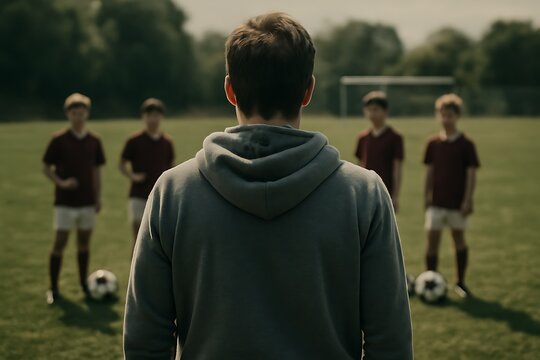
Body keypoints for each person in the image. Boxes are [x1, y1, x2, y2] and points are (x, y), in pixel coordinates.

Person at [124, 13, 412, 359]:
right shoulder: (363, 194)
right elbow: (390, 343)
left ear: (230, 90)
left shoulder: (172, 192)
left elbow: (145, 340)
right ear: (308, 90)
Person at [42, 93, 106, 304]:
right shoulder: (59, 139)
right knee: (60, 242)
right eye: (74, 113)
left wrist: (98, 197)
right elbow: (46, 167)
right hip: (65, 202)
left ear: (87, 114)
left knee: (84, 244)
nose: (78, 117)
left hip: (87, 201)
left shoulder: (94, 141)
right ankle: (53, 288)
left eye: (82, 113)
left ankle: (83, 285)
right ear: (68, 114)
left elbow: (97, 171)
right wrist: (61, 182)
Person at [423, 93, 480, 298]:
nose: (446, 119)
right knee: (432, 240)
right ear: (438, 116)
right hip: (436, 202)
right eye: (443, 115)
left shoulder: (466, 144)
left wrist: (467, 200)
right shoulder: (433, 143)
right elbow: (429, 172)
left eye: (450, 115)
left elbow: (471, 174)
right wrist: (426, 195)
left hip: (457, 204)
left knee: (458, 239)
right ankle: (432, 280)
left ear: (458, 116)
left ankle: (460, 282)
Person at [119, 98, 174, 252]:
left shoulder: (167, 142)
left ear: (161, 117)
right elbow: (121, 164)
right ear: (143, 117)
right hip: (138, 195)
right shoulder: (134, 141)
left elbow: (170, 167)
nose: (153, 119)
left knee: (159, 239)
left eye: (156, 115)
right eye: (149, 115)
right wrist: (133, 176)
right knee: (138, 239)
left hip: (160, 196)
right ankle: (135, 274)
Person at [355, 91, 404, 212]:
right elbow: (359, 167)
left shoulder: (395, 137)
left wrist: (395, 196)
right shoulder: (363, 137)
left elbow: (397, 168)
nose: (372, 114)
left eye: (376, 109)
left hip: (385, 191)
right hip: (366, 192)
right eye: (369, 110)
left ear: (385, 111)